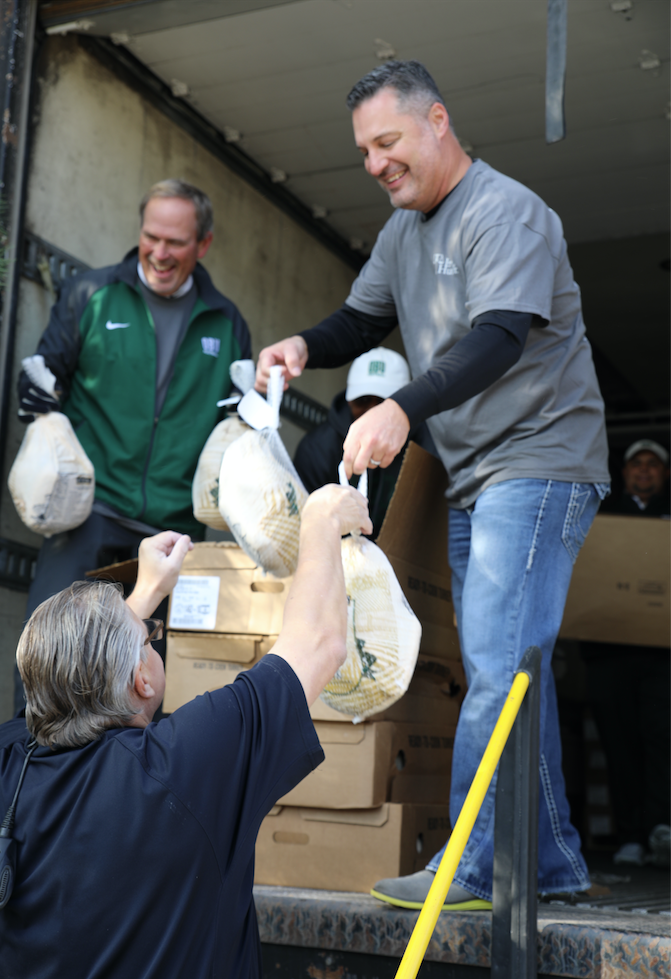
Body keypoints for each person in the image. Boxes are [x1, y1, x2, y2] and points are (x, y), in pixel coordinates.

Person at [257, 60, 610, 910]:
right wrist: (306, 344)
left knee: (496, 660)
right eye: (364, 151)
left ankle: (478, 864)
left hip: (540, 460)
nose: (376, 163)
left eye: (389, 141)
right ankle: (550, 858)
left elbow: (498, 337)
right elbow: (363, 317)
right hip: (476, 475)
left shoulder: (507, 212)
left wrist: (403, 410)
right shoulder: (402, 230)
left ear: (438, 121)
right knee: (512, 662)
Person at [0, 485, 372, 979]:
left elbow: (61, 686)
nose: (152, 642)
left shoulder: (2, 766)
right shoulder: (180, 767)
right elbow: (319, 643)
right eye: (148, 640)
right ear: (142, 680)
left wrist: (144, 595)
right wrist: (320, 516)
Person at [14, 178, 251, 712]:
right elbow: (45, 372)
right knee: (50, 669)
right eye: (151, 237)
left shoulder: (229, 322)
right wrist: (32, 386)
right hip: (89, 515)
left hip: (172, 533)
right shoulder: (90, 294)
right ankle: (30, 790)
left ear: (203, 245)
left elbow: (239, 424)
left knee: (143, 693)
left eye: (176, 242)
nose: (160, 253)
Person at [581, 439, 670, 868]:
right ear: (624, 471)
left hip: (663, 657)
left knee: (662, 741)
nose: (646, 471)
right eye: (638, 464)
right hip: (608, 653)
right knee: (619, 744)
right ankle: (631, 836)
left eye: (655, 465)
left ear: (665, 474)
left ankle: (660, 830)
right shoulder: (600, 512)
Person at [294, 346, 436, 536]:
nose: (372, 411)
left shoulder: (426, 448)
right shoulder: (316, 449)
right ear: (348, 400)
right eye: (363, 400)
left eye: (384, 403)